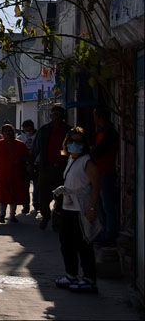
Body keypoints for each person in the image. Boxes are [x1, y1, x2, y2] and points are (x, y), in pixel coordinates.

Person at [53, 126, 101, 293]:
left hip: (81, 208)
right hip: (68, 207)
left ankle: (89, 279)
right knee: (66, 243)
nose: (74, 144)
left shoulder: (87, 161)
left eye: (78, 142)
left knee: (84, 245)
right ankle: (71, 274)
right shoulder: (71, 159)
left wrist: (92, 208)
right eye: (71, 141)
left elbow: (96, 186)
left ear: (84, 144)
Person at [32, 105, 72, 230]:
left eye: (59, 114)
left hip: (62, 169)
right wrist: (30, 163)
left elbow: (69, 149)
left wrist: (62, 156)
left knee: (60, 196)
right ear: (51, 116)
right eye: (54, 114)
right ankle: (45, 216)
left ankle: (57, 219)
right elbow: (36, 148)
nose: (57, 117)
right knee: (43, 195)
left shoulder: (68, 130)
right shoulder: (44, 130)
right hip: (46, 167)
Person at [0, 123, 30, 223]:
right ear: (2, 133)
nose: (8, 133)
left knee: (14, 195)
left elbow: (27, 156)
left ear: (13, 132)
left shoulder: (20, 144)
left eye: (10, 131)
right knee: (2, 195)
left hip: (16, 174)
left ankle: (12, 215)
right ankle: (2, 215)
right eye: (6, 131)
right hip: (2, 175)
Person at [90, 107, 119, 246]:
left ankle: (110, 234)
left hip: (106, 172)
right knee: (100, 204)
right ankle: (104, 231)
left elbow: (99, 152)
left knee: (107, 206)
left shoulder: (109, 132)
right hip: (100, 172)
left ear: (99, 116)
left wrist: (92, 152)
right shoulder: (101, 131)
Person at [17, 119, 38, 214]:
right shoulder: (21, 138)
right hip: (24, 165)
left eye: (29, 128)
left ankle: (36, 203)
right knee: (25, 187)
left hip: (37, 164)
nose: (28, 130)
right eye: (26, 128)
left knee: (37, 186)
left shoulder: (38, 137)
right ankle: (26, 205)